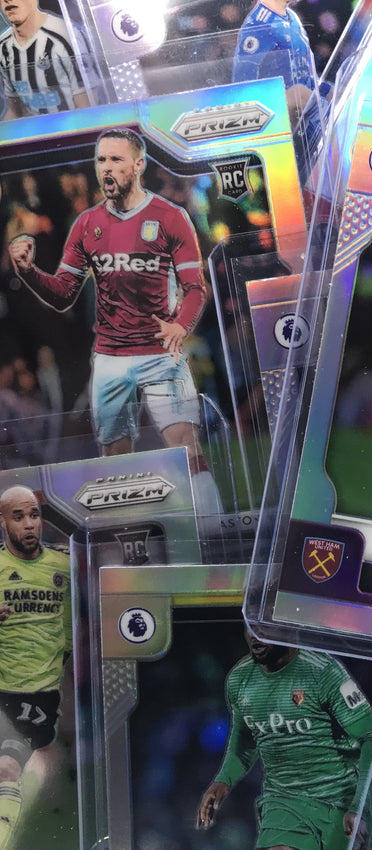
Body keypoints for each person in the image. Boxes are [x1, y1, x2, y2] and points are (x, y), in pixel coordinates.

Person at [7, 128, 222, 516]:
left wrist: (180, 325)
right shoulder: (87, 224)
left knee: (186, 447)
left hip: (160, 354)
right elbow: (63, 294)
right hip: (110, 357)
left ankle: (212, 525)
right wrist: (28, 272)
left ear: (138, 165)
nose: (106, 168)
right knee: (116, 461)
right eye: (101, 160)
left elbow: (195, 288)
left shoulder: (171, 218)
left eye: (116, 160)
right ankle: (129, 535)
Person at [197, 632, 372, 850]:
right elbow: (245, 741)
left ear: (287, 627)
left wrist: (360, 803)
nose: (255, 635)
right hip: (284, 801)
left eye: (264, 627)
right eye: (251, 626)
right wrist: (223, 781)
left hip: (338, 799)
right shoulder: (240, 680)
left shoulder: (323, 672)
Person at [0, 485, 72, 850]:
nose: (29, 524)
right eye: (19, 517)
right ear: (3, 522)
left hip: (39, 693)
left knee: (12, 767)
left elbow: (79, 628)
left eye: (34, 515)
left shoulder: (64, 566)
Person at [233, 0, 331, 173]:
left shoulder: (292, 18)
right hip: (282, 128)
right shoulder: (259, 24)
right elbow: (243, 87)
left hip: (306, 119)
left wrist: (327, 90)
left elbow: (304, 73)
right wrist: (282, 103)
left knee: (335, 93)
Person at [0, 0, 90, 119]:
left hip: (72, 126)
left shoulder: (66, 35)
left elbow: (87, 106)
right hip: (34, 129)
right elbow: (16, 111)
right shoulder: (3, 47)